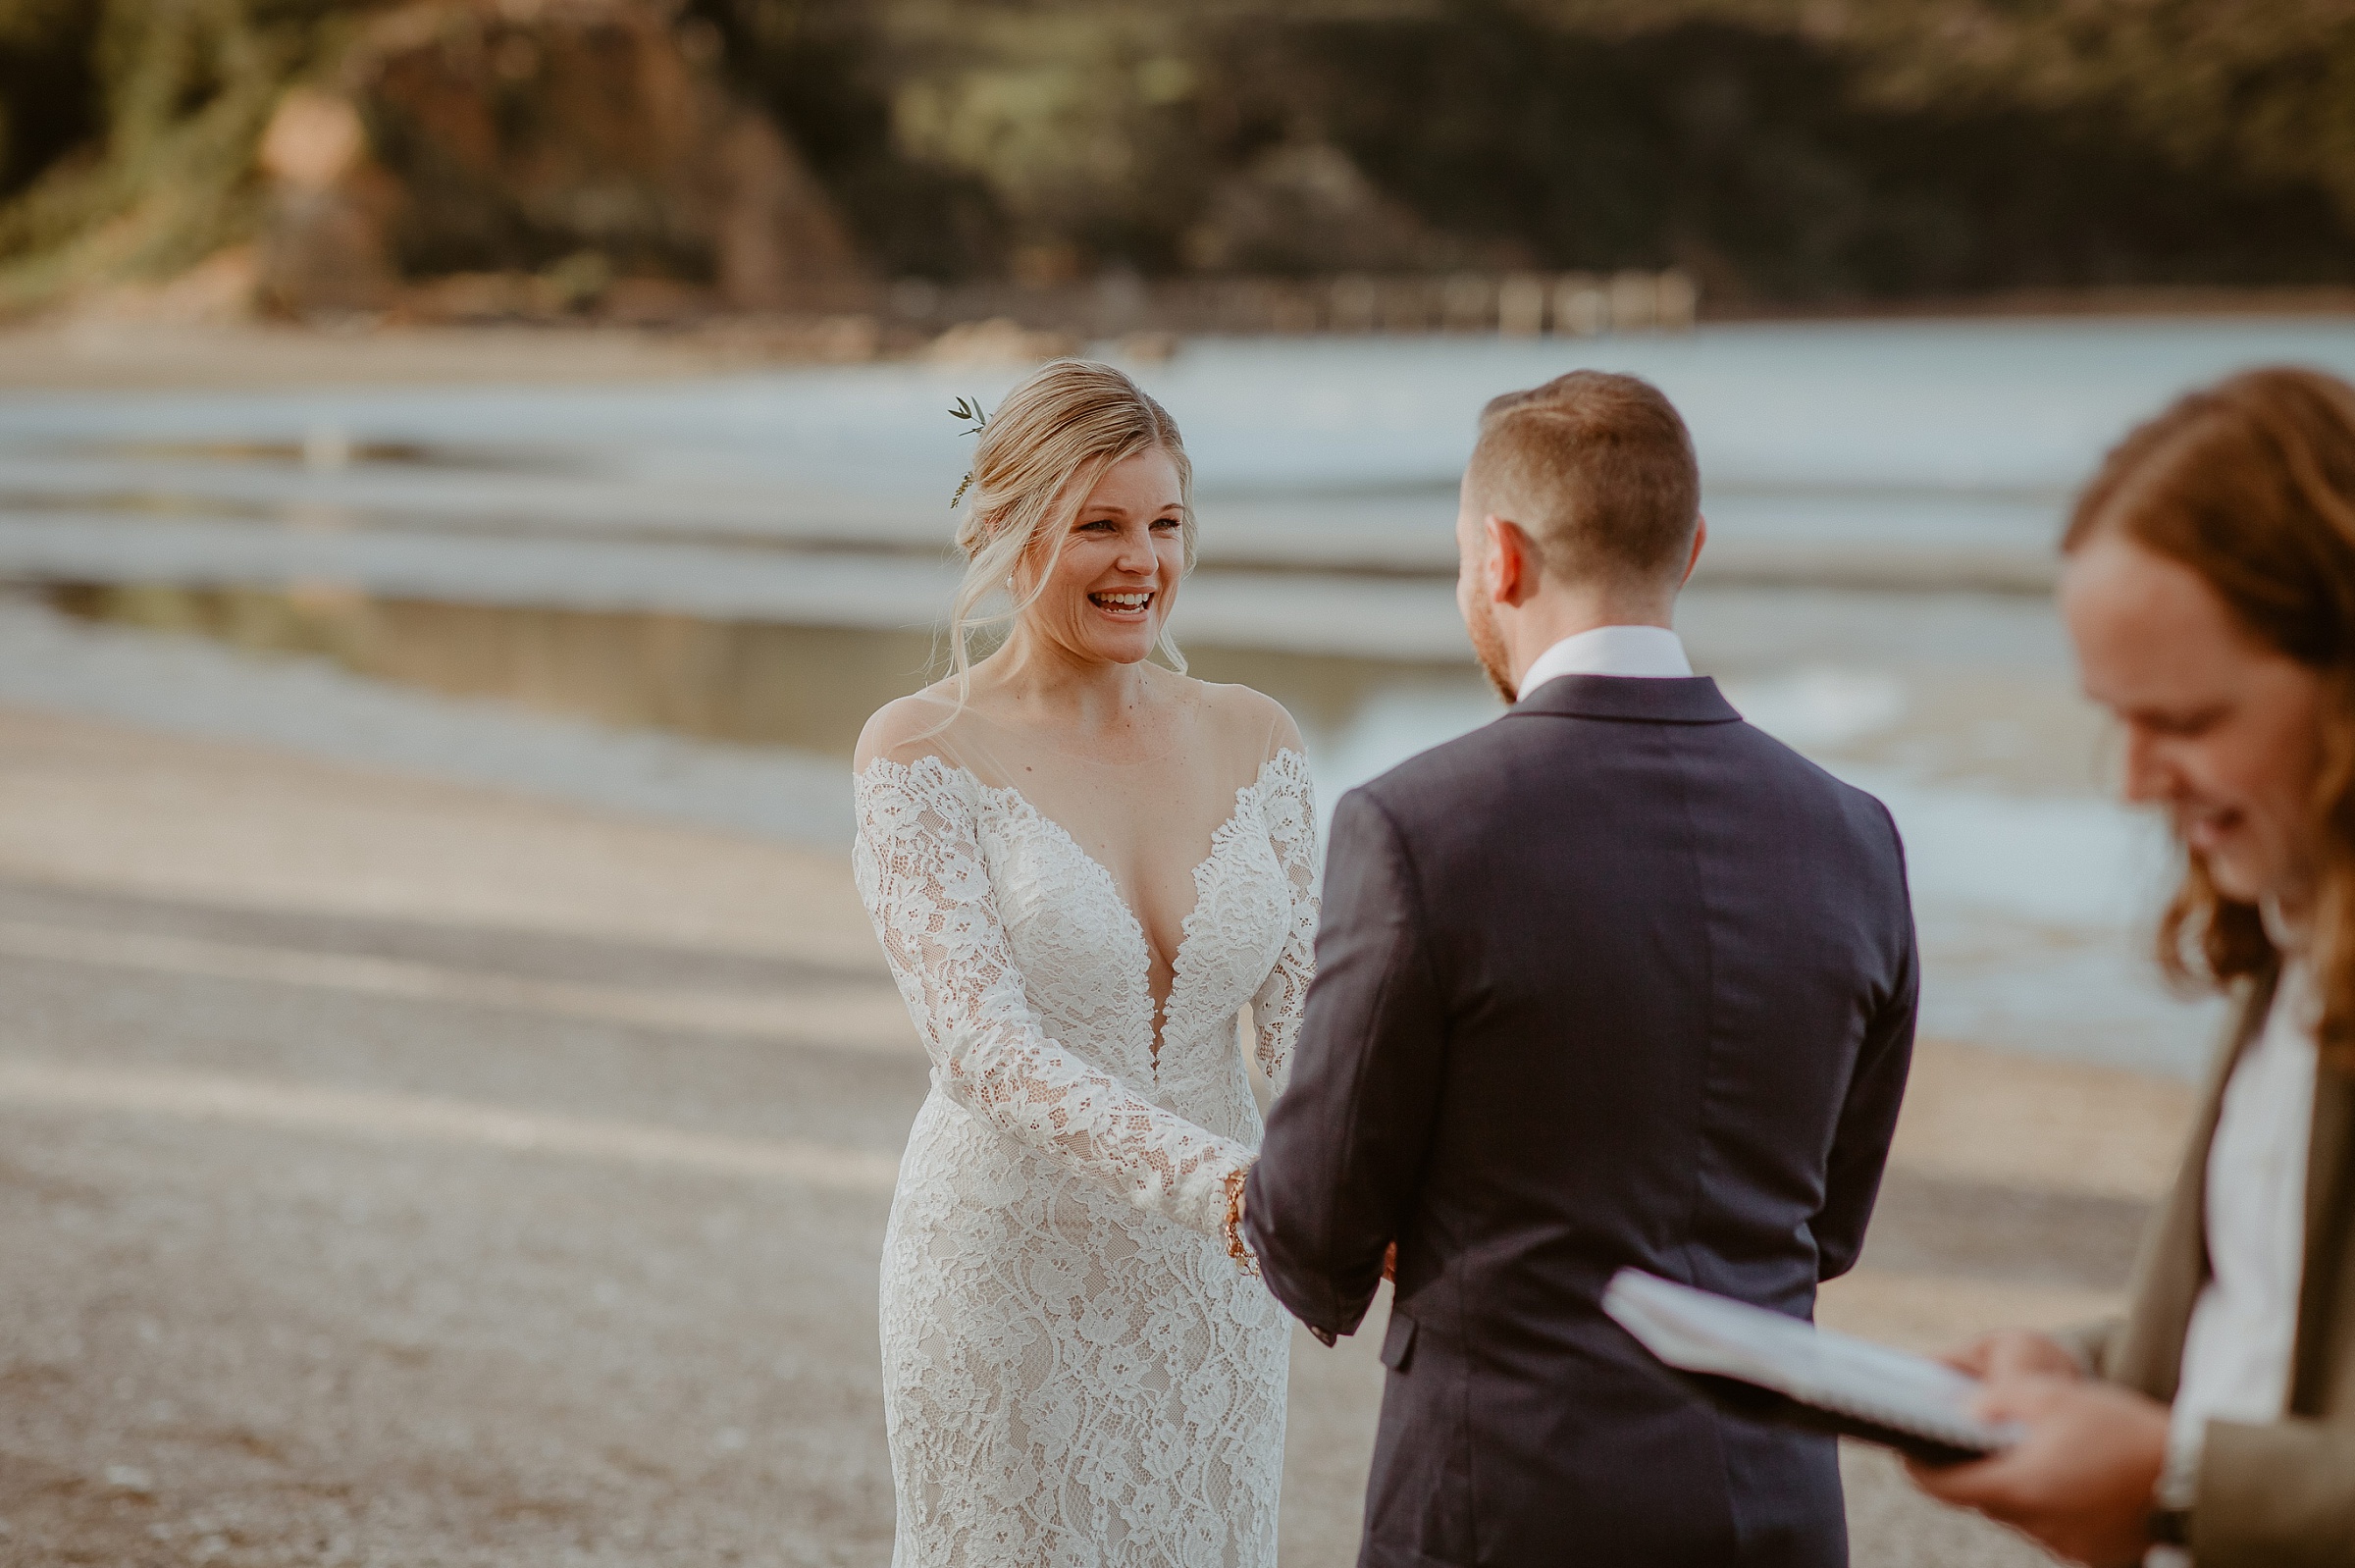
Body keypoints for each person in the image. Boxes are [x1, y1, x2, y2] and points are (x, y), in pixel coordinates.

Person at [1242, 369, 1920, 1567]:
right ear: (1692, 548)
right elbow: (1828, 1220)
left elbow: (1311, 1223)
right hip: (1772, 1504)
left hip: (1503, 1498)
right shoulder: (1854, 832)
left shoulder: (1417, 826)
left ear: (1498, 557)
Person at [850, 361, 1317, 1567]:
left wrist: (1370, 1180)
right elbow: (985, 1048)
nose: (1141, 561)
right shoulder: (921, 749)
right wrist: (1227, 1186)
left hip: (1220, 1292)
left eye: (1164, 524)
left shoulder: (1257, 736)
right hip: (1008, 1274)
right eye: (1097, 526)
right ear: (1001, 529)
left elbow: (1313, 1032)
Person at [1909, 366, 2355, 1567]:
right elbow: (2272, 1329)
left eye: (2189, 722)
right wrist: (2078, 1371)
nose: (2132, 779)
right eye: (2119, 715)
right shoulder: (2294, 941)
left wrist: (2175, 1481)